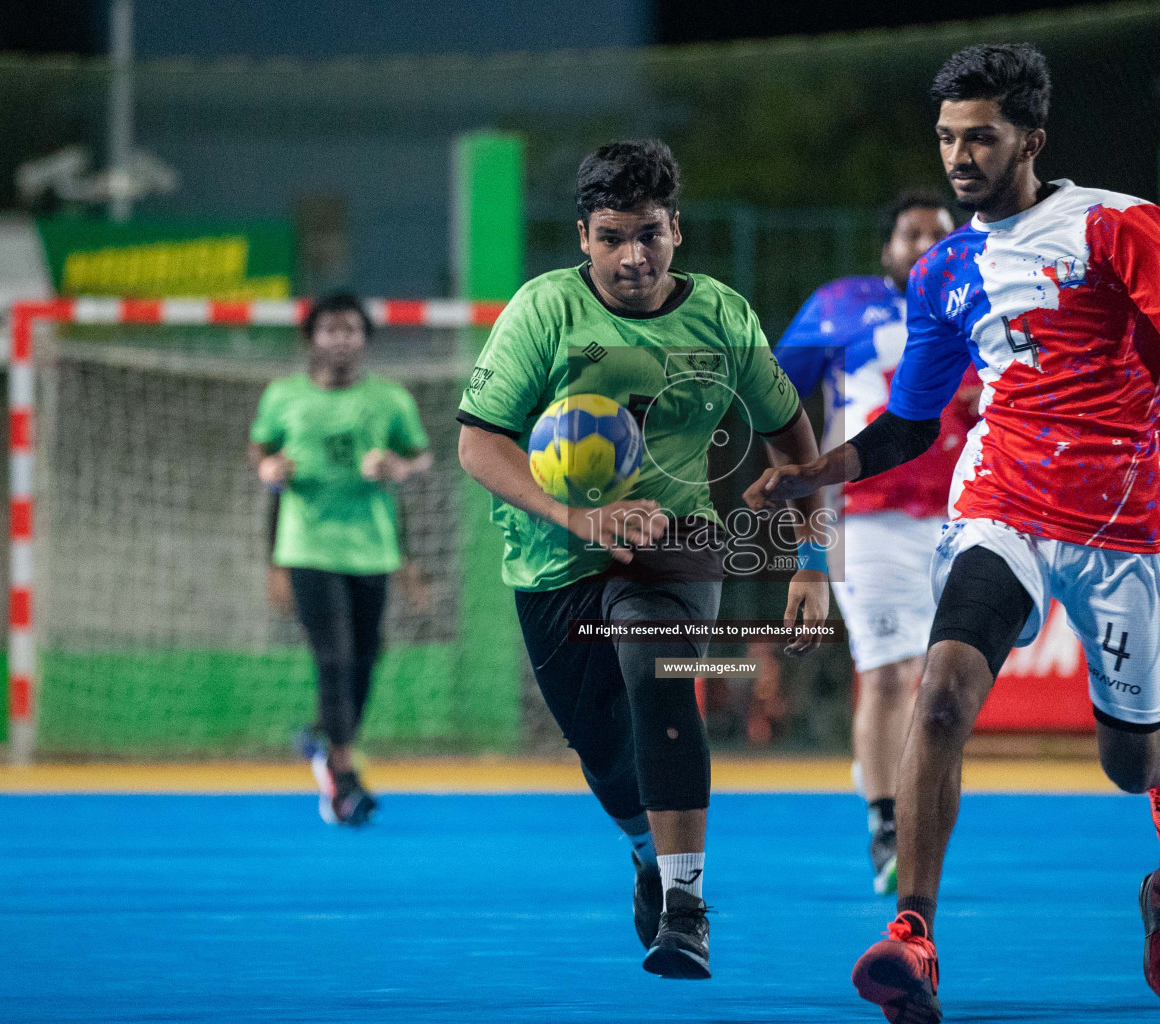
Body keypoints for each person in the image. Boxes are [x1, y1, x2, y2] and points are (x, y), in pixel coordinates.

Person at [745, 44, 1160, 1020]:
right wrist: (813, 473)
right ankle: (913, 934)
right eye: (946, 138)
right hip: (1003, 497)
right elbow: (910, 422)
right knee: (938, 692)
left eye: (979, 136)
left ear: (1031, 136)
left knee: (1132, 759)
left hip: (1120, 519)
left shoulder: (1118, 225)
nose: (958, 157)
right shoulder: (944, 269)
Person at [456, 139, 829, 980]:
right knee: (600, 749)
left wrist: (812, 559)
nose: (634, 256)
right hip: (554, 558)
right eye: (614, 236)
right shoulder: (542, 312)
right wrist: (577, 517)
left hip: (680, 539)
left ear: (677, 232)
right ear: (584, 236)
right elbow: (480, 445)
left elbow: (792, 433)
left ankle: (688, 908)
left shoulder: (724, 317)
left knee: (655, 669)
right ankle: (643, 848)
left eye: (650, 235)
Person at [774, 189, 982, 896]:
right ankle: (886, 824)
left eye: (939, 232)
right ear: (885, 246)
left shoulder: (982, 303)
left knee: (943, 686)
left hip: (969, 516)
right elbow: (775, 398)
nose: (926, 243)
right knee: (890, 673)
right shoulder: (840, 305)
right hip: (870, 515)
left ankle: (915, 812)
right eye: (911, 232)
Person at [249, 291, 434, 826]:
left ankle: (325, 741)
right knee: (334, 652)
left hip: (372, 548)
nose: (341, 338)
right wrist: (268, 471)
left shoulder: (391, 399)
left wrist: (399, 467)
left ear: (365, 339)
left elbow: (421, 456)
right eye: (330, 329)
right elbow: (260, 452)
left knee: (366, 655)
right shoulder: (283, 396)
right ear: (311, 338)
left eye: (351, 329)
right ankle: (344, 772)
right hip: (306, 545)